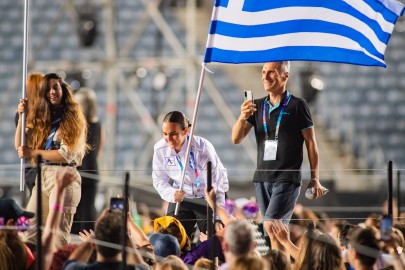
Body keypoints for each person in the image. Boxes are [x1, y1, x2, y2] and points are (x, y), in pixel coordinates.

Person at [231, 61, 326, 250]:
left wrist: (315, 178)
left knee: (271, 226)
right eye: (263, 72)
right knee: (274, 235)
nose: (265, 77)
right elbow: (236, 138)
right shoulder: (256, 106)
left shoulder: (298, 105)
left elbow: (311, 142)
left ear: (285, 76)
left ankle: (303, 261)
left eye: (271, 72)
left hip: (287, 178)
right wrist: (242, 117)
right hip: (262, 178)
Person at [15, 73, 88, 248]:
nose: (52, 92)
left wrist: (32, 152)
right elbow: (19, 146)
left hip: (65, 176)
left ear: (63, 89)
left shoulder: (73, 118)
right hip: (43, 176)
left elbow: (65, 155)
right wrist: (21, 118)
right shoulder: (43, 118)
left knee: (57, 238)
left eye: (55, 87)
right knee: (27, 233)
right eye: (47, 89)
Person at [152, 111, 228, 238]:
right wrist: (172, 194)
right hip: (182, 196)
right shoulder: (159, 149)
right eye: (165, 134)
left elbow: (217, 185)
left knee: (213, 236)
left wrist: (218, 217)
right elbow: (158, 181)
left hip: (208, 196)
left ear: (186, 131)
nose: (168, 139)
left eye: (173, 134)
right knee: (171, 235)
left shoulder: (203, 148)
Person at [71, 87, 104, 234]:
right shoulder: (98, 125)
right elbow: (99, 150)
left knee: (74, 208)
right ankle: (88, 238)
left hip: (78, 171)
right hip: (92, 170)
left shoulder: (76, 126)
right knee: (88, 209)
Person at [14, 71, 44, 194]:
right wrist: (22, 117)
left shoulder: (47, 113)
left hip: (43, 167)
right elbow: (19, 146)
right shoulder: (23, 114)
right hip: (32, 167)